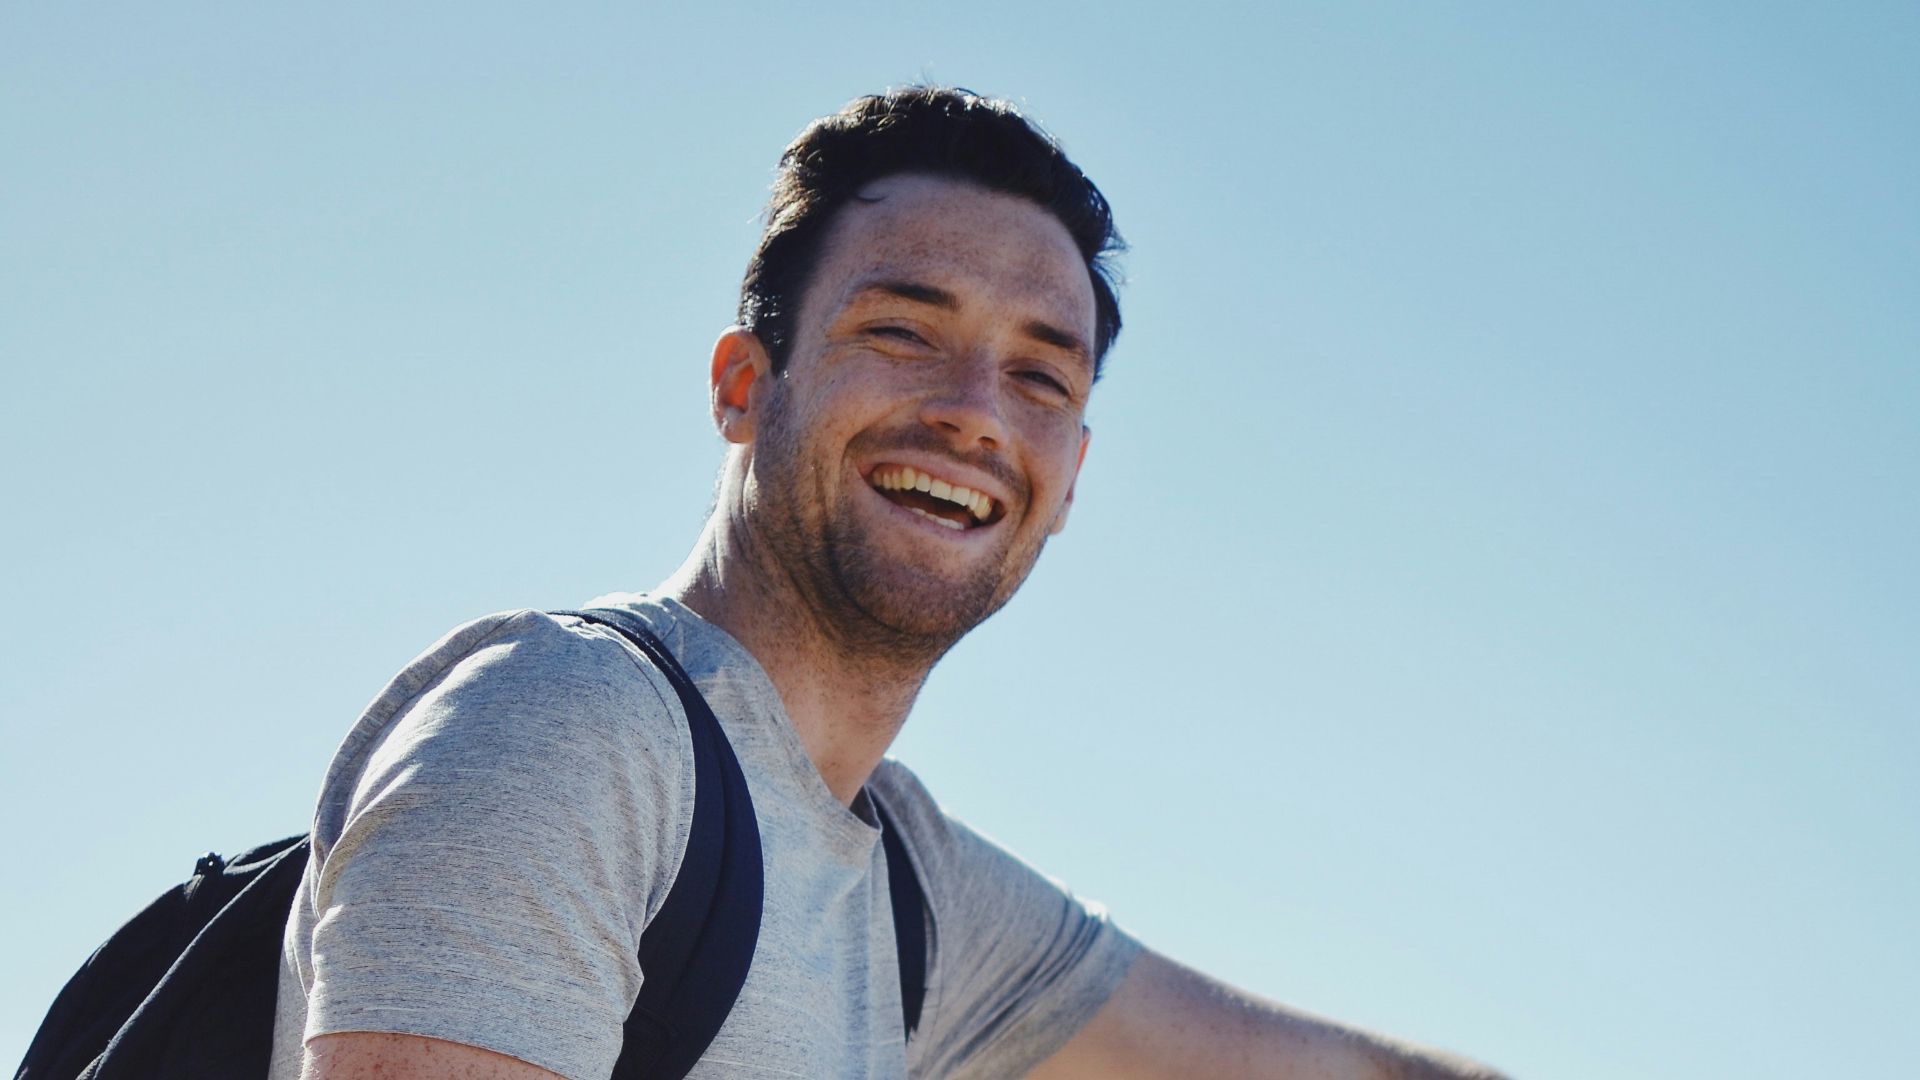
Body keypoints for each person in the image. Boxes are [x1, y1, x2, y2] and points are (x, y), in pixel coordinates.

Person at [270, 87, 1506, 1080]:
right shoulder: (572, 734)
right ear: (746, 387)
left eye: (1040, 377)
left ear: (1069, 477)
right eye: (903, 331)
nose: (974, 415)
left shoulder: (914, 891)